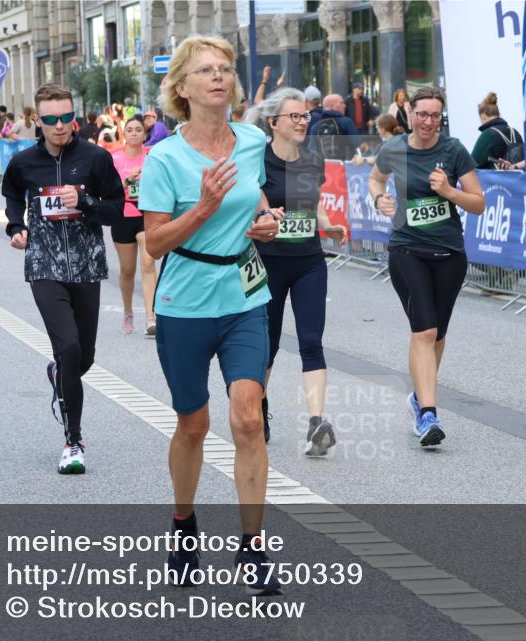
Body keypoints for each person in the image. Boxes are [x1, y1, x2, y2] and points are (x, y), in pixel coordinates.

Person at [138, 35, 283, 594]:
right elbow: (154, 244)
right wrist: (203, 207)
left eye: (224, 68)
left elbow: (257, 199)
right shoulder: (165, 158)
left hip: (245, 296)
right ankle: (183, 523)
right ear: (182, 87)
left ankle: (252, 547)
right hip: (185, 305)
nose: (219, 76)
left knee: (248, 418)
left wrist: (265, 222)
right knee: (193, 425)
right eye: (205, 70)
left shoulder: (252, 141)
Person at [2, 82, 125, 474]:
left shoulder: (96, 158)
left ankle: (59, 375)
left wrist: (84, 201)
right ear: (37, 120)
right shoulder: (23, 162)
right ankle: (73, 441)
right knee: (68, 347)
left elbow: (117, 210)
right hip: (44, 265)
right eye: (51, 119)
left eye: (67, 117)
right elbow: (12, 197)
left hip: (87, 265)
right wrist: (15, 227)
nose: (60, 126)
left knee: (83, 358)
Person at [367, 87, 486, 447]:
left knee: (438, 334)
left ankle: (420, 397)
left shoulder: (453, 150)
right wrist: (379, 199)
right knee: (425, 331)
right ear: (410, 114)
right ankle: (429, 414)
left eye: (435, 115)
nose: (428, 122)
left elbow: (478, 203)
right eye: (422, 114)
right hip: (407, 250)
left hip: (449, 253)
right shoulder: (394, 148)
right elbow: (375, 178)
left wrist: (449, 191)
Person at [245, 88, 349, 455]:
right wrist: (263, 216)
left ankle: (316, 422)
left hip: (308, 261)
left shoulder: (312, 159)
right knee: (268, 344)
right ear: (273, 123)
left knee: (311, 340)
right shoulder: (257, 160)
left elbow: (314, 204)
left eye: (305, 116)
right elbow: (246, 205)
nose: (303, 121)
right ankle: (258, 406)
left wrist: (329, 225)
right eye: (295, 116)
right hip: (267, 262)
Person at [110, 115, 158, 336]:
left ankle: (150, 317)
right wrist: (128, 180)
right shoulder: (115, 159)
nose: (134, 133)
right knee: (127, 270)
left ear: (145, 134)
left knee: (148, 263)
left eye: (138, 130)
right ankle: (128, 311)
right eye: (130, 130)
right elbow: (110, 191)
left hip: (146, 214)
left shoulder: (152, 157)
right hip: (123, 215)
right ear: (124, 134)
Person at [470, 92, 524, 170]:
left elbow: (471, 165)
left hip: (497, 178)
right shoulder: (515, 132)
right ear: (499, 114)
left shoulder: (487, 135)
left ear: (482, 117)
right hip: (518, 176)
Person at [308, 94, 358, 161]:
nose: (345, 106)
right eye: (341, 103)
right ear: (333, 106)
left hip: (324, 165)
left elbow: (312, 150)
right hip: (344, 165)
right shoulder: (347, 122)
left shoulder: (315, 127)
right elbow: (357, 143)